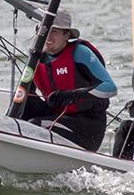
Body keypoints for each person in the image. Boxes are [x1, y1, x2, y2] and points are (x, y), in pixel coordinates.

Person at [15, 9, 116, 151]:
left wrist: (71, 94)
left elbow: (111, 88)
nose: (48, 36)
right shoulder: (37, 57)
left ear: (66, 35)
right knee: (22, 103)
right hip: (58, 118)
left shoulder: (80, 52)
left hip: (87, 129)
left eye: (55, 31)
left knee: (35, 124)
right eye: (44, 29)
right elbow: (24, 95)